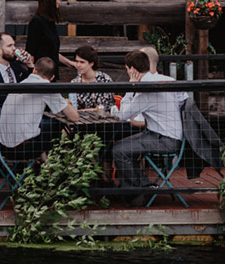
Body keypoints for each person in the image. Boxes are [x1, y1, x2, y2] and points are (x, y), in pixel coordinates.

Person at [108, 49, 184, 188]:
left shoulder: (144, 91)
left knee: (118, 150)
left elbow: (122, 115)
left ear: (132, 70)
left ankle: (138, 190)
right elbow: (182, 100)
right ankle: (143, 184)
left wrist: (130, 87)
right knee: (124, 146)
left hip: (164, 139)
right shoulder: (168, 79)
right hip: (174, 135)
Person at [0, 55, 78, 167]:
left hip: (3, 147)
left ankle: (48, 166)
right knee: (58, 124)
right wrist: (67, 104)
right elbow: (74, 117)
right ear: (52, 77)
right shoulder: (46, 87)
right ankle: (59, 166)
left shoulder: (21, 84)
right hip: (21, 149)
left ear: (34, 69)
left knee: (47, 125)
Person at [25, 0, 64, 79]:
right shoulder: (37, 22)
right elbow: (31, 52)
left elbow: (52, 51)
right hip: (41, 75)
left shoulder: (50, 21)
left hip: (51, 73)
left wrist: (71, 63)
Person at [66, 45, 114, 111]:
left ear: (91, 63)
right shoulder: (74, 82)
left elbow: (106, 107)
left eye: (82, 62)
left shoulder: (104, 79)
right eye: (77, 61)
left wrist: (83, 111)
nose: (78, 65)